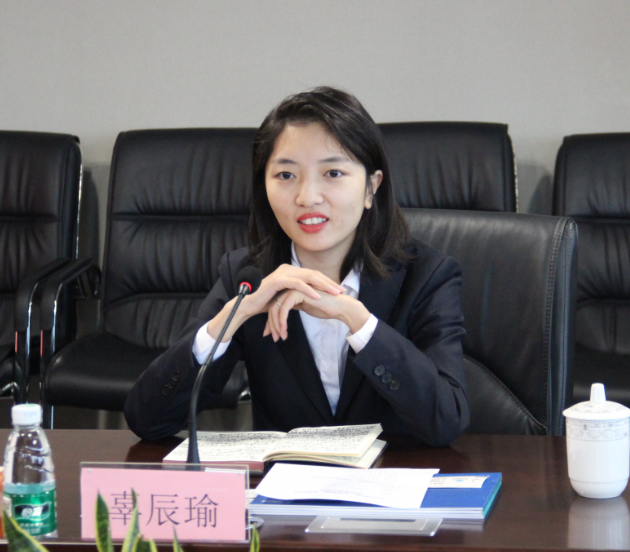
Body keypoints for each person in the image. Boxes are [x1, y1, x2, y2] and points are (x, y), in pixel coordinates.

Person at [124, 87, 469, 446]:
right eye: (286, 176)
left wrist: (357, 320)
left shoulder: (427, 275)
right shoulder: (247, 278)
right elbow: (147, 419)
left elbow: (446, 420)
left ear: (371, 187)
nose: (307, 197)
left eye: (333, 173)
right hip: (284, 480)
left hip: (392, 477)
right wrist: (229, 321)